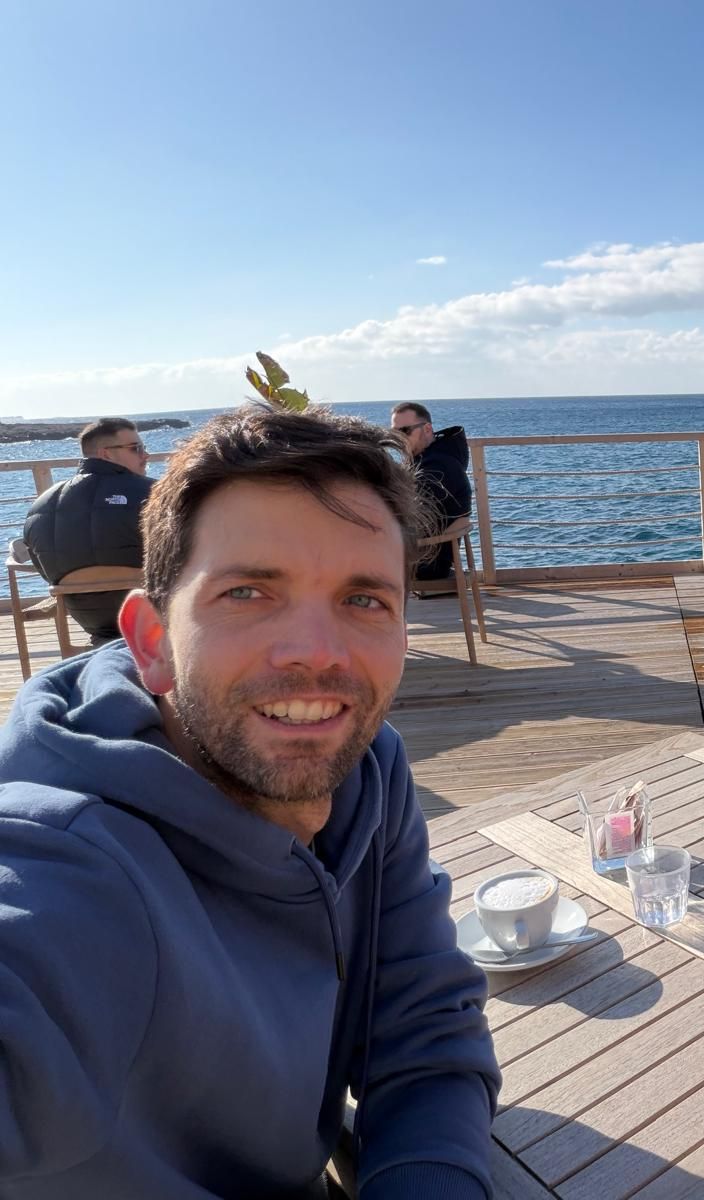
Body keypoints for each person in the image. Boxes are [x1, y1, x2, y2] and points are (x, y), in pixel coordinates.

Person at [0, 405, 501, 1198]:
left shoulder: (366, 767)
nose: (317, 652)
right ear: (153, 641)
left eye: (365, 600)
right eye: (247, 592)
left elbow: (422, 1023)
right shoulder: (71, 867)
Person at [22, 417, 156, 644]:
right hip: (153, 613)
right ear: (106, 454)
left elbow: (45, 571)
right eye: (136, 448)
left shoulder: (43, 504)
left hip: (90, 619)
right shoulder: (154, 493)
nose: (146, 455)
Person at [390, 402, 472, 584]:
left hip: (427, 562)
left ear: (427, 429)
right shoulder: (433, 457)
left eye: (404, 431)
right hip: (426, 554)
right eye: (394, 434)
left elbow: (408, 514)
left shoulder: (437, 468)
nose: (398, 440)